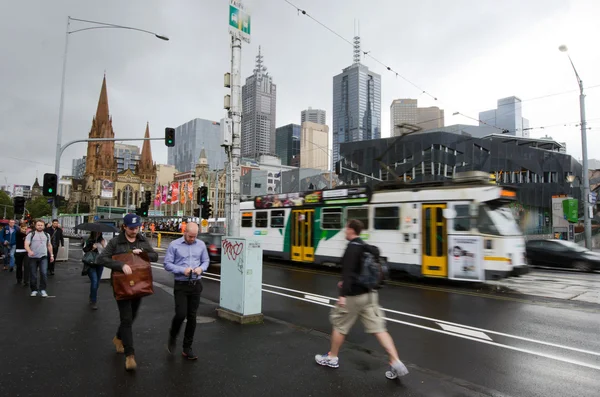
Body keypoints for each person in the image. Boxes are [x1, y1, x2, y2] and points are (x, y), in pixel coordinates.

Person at [314, 219, 409, 380]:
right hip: (370, 295)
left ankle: (332, 358)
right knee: (379, 328)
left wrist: (342, 294)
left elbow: (348, 272)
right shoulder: (365, 246)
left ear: (351, 230)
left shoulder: (352, 248)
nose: (345, 231)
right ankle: (395, 361)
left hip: (354, 296)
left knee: (339, 325)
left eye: (346, 228)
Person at [96, 214, 158, 371]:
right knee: (126, 318)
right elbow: (102, 259)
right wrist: (120, 265)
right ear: (124, 227)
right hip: (121, 285)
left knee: (132, 316)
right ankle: (130, 355)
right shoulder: (116, 242)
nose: (134, 231)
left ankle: (118, 338)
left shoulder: (142, 240)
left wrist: (142, 253)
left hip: (139, 284)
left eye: (137, 228)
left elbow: (154, 256)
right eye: (131, 228)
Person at [163, 222, 209, 360]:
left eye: (195, 237)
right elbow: (167, 264)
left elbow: (206, 261)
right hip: (181, 284)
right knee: (181, 314)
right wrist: (182, 270)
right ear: (185, 232)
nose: (192, 239)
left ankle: (187, 347)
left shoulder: (201, 245)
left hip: (196, 284)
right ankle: (173, 335)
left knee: (192, 317)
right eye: (190, 236)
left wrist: (201, 268)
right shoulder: (174, 245)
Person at [24, 220, 53, 298]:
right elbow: (26, 245)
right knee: (33, 275)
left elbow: (49, 245)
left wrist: (51, 255)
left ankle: (42, 289)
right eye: (38, 225)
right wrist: (29, 251)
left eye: (41, 225)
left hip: (43, 257)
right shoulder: (31, 234)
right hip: (33, 258)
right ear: (35, 226)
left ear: (44, 226)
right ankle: (34, 290)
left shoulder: (47, 235)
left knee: (44, 273)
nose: (40, 226)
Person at [82, 231, 106, 310]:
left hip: (100, 263)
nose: (98, 234)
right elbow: (84, 252)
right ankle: (93, 301)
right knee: (94, 281)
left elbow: (106, 253)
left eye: (99, 233)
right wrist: (92, 248)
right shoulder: (88, 240)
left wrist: (103, 246)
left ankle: (92, 295)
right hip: (91, 264)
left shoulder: (103, 240)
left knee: (97, 282)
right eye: (96, 233)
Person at [14, 221, 31, 286]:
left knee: (26, 266)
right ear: (20, 228)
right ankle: (19, 279)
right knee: (19, 266)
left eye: (25, 229)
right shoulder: (18, 233)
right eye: (23, 228)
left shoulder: (26, 235)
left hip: (25, 251)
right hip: (18, 251)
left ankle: (26, 280)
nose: (24, 230)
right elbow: (23, 235)